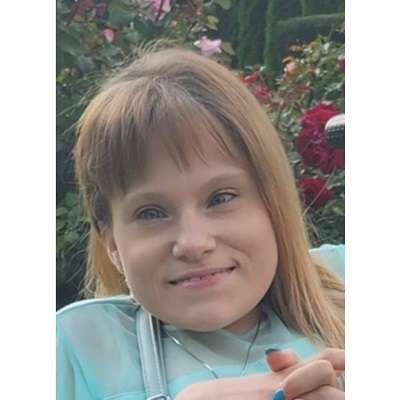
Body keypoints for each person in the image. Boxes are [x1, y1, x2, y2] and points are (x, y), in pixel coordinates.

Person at [57, 48, 345, 400]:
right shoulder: (80, 346)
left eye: (221, 198)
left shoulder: (346, 278)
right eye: (150, 213)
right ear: (111, 242)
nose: (193, 243)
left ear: (274, 202)